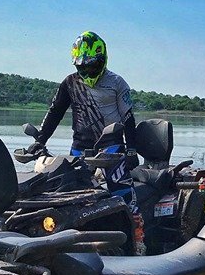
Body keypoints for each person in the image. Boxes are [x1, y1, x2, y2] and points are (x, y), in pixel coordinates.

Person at [33, 31, 146, 252]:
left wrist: (131, 150)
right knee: (71, 195)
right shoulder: (70, 83)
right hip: (79, 148)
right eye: (82, 67)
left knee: (124, 194)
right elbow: (55, 112)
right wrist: (40, 140)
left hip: (111, 147)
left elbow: (128, 118)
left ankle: (139, 241)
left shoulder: (117, 82)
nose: (87, 71)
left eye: (91, 66)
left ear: (102, 60)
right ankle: (73, 242)